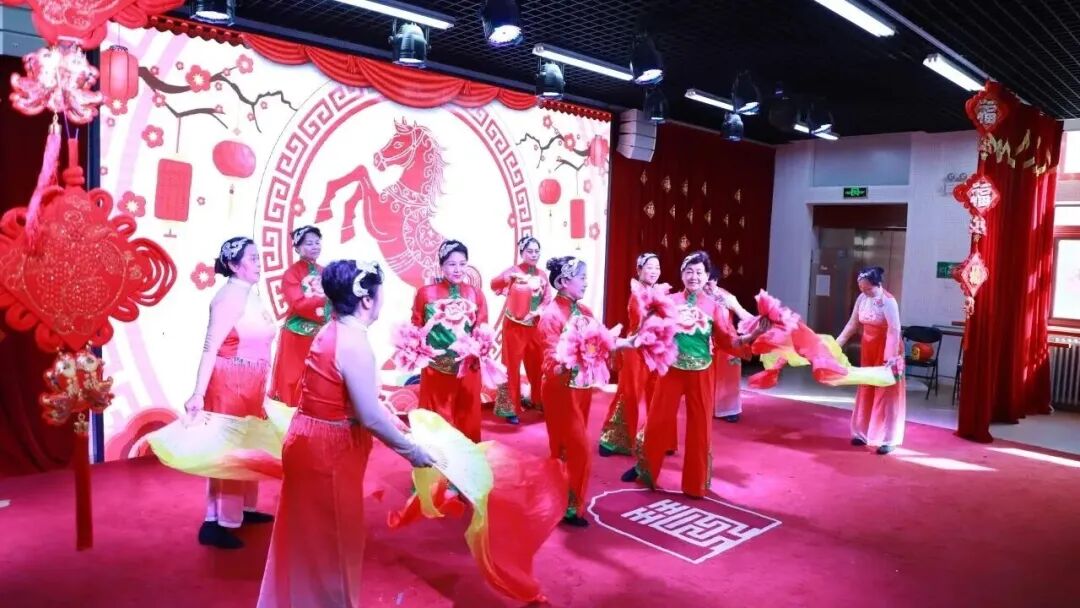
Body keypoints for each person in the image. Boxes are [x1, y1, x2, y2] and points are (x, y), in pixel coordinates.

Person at [257, 260, 436, 607]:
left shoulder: (335, 329)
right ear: (366, 299)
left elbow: (359, 402)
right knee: (335, 541)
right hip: (327, 451)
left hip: (311, 440)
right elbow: (369, 416)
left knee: (311, 541)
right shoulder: (353, 342)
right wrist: (412, 452)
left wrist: (393, 420)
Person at [624, 251, 767, 498]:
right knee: (657, 421)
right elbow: (650, 329)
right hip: (672, 371)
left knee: (700, 428)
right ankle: (645, 470)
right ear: (681, 274)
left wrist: (753, 335)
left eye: (699, 272)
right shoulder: (669, 301)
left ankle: (695, 483)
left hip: (701, 372)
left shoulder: (715, 307)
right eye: (689, 271)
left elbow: (728, 340)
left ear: (707, 276)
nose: (694, 277)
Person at [184, 236, 276, 549]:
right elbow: (210, 347)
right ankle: (217, 522)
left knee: (248, 446)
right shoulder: (228, 298)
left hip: (252, 383)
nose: (259, 263)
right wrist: (198, 393)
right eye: (252, 258)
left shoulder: (251, 294)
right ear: (235, 266)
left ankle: (244, 509)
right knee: (229, 451)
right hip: (229, 383)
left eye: (258, 257)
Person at [538, 256, 631, 526]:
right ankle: (570, 506)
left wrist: (633, 342)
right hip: (560, 391)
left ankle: (561, 500)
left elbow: (604, 340)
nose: (586, 282)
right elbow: (549, 357)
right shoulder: (551, 315)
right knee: (576, 448)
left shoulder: (585, 311)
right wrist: (561, 363)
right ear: (564, 281)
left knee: (567, 449)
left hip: (582, 389)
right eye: (582, 278)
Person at [411, 240, 489, 443]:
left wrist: (477, 349)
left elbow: (481, 327)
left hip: (467, 367)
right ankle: (437, 461)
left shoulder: (475, 294)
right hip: (436, 367)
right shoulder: (425, 293)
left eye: (462, 264)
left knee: (468, 418)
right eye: (452, 264)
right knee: (437, 423)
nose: (458, 269)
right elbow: (416, 327)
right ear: (441, 265)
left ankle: (469, 459)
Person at [836, 266, 906, 455]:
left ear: (878, 284)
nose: (865, 291)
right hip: (868, 348)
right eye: (862, 288)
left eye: (868, 288)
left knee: (887, 392)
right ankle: (862, 433)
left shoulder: (889, 301)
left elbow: (894, 330)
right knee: (866, 387)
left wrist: (889, 357)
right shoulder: (862, 299)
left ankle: (889, 438)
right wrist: (836, 344)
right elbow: (852, 324)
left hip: (888, 348)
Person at [598, 253, 663, 457]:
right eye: (649, 267)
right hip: (635, 349)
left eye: (657, 267)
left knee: (657, 393)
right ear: (639, 270)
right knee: (629, 393)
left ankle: (659, 438)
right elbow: (642, 322)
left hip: (656, 349)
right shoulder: (637, 293)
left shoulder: (659, 292)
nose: (654, 271)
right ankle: (614, 439)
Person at [490, 235, 549, 425]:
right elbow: (493, 284)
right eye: (530, 251)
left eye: (537, 251)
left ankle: (540, 400)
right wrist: (507, 278)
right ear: (522, 252)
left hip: (534, 325)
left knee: (538, 364)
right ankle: (510, 408)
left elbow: (547, 299)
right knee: (511, 366)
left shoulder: (542, 275)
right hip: (514, 327)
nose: (534, 255)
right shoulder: (513, 271)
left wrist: (538, 312)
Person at [268, 226, 328, 406]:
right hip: (297, 336)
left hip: (322, 335)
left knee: (320, 382)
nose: (315, 246)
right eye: (309, 243)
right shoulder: (292, 274)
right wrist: (324, 299)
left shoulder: (326, 271)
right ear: (297, 248)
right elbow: (297, 304)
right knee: (295, 381)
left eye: (317, 242)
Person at [704, 268, 754, 423]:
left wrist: (758, 322)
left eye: (709, 282)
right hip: (706, 341)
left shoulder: (726, 297)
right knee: (706, 376)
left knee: (729, 376)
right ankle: (708, 408)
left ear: (716, 280)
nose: (706, 285)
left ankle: (730, 410)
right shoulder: (697, 296)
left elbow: (742, 313)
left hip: (728, 341)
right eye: (704, 281)